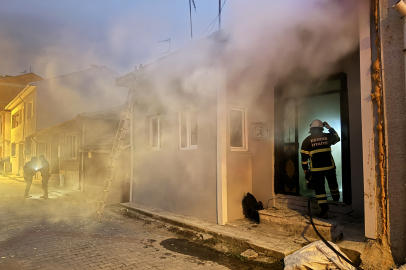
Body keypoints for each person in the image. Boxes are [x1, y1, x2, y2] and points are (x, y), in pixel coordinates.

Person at [300, 119, 341, 219]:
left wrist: (306, 170)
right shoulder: (327, 136)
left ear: (311, 129)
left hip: (316, 170)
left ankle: (324, 211)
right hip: (329, 167)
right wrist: (330, 128)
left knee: (320, 190)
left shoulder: (307, 140)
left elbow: (304, 158)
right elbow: (337, 138)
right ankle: (336, 200)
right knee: (333, 184)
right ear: (321, 128)